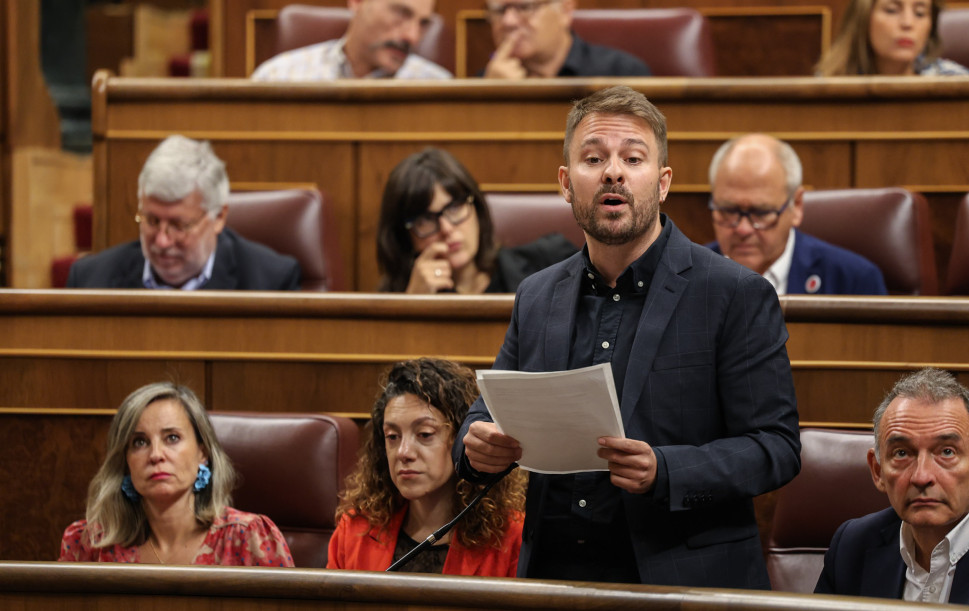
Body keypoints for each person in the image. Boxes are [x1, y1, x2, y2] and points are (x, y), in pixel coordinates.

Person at [453, 85, 801, 587]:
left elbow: (776, 448)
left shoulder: (734, 294)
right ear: (566, 183)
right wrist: (475, 448)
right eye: (593, 158)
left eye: (633, 158)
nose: (613, 171)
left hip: (681, 579)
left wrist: (667, 471)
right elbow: (487, 416)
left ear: (661, 184)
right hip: (553, 580)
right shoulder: (537, 295)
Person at [815, 368, 969, 609]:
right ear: (878, 471)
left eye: (946, 452)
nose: (922, 476)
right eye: (902, 453)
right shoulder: (852, 546)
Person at [59, 382, 293, 566]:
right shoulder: (90, 544)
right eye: (139, 442)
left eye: (172, 438)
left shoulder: (249, 538)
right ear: (124, 461)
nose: (156, 455)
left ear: (202, 453)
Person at [327, 358, 525, 575]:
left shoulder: (511, 536)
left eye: (424, 434)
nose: (403, 452)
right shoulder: (355, 530)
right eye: (392, 436)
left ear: (461, 438)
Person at [66, 136, 301, 290]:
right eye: (152, 220)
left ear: (218, 217)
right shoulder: (91, 281)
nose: (162, 240)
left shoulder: (271, 282)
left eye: (179, 225)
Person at [706, 134, 887, 295]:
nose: (743, 229)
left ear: (797, 206)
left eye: (761, 213)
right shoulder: (683, 275)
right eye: (728, 211)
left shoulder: (852, 280)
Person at [377, 147, 576, 293]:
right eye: (425, 220)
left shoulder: (549, 261)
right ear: (404, 237)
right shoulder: (394, 300)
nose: (446, 228)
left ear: (476, 209)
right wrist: (411, 307)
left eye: (454, 207)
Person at [251, 0, 450, 81]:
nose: (412, 36)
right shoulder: (277, 78)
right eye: (400, 13)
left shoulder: (439, 89)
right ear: (357, 2)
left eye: (423, 23)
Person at [482, 0, 650, 79]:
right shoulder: (487, 79)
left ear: (565, 11)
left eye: (525, 8)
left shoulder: (622, 74)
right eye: (498, 10)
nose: (508, 21)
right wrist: (492, 95)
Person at [816, 0, 969, 76]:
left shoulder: (954, 82)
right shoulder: (828, 86)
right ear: (862, 19)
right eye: (891, 10)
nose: (908, 23)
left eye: (920, 13)